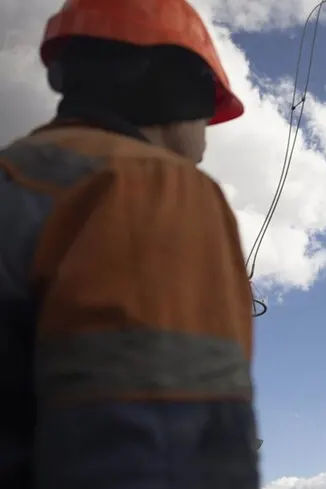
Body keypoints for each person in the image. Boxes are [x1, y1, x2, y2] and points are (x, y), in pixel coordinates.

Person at [0, 1, 260, 488]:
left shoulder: (16, 172)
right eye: (207, 109)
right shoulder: (150, 184)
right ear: (178, 88)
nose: (206, 136)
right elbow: (162, 445)